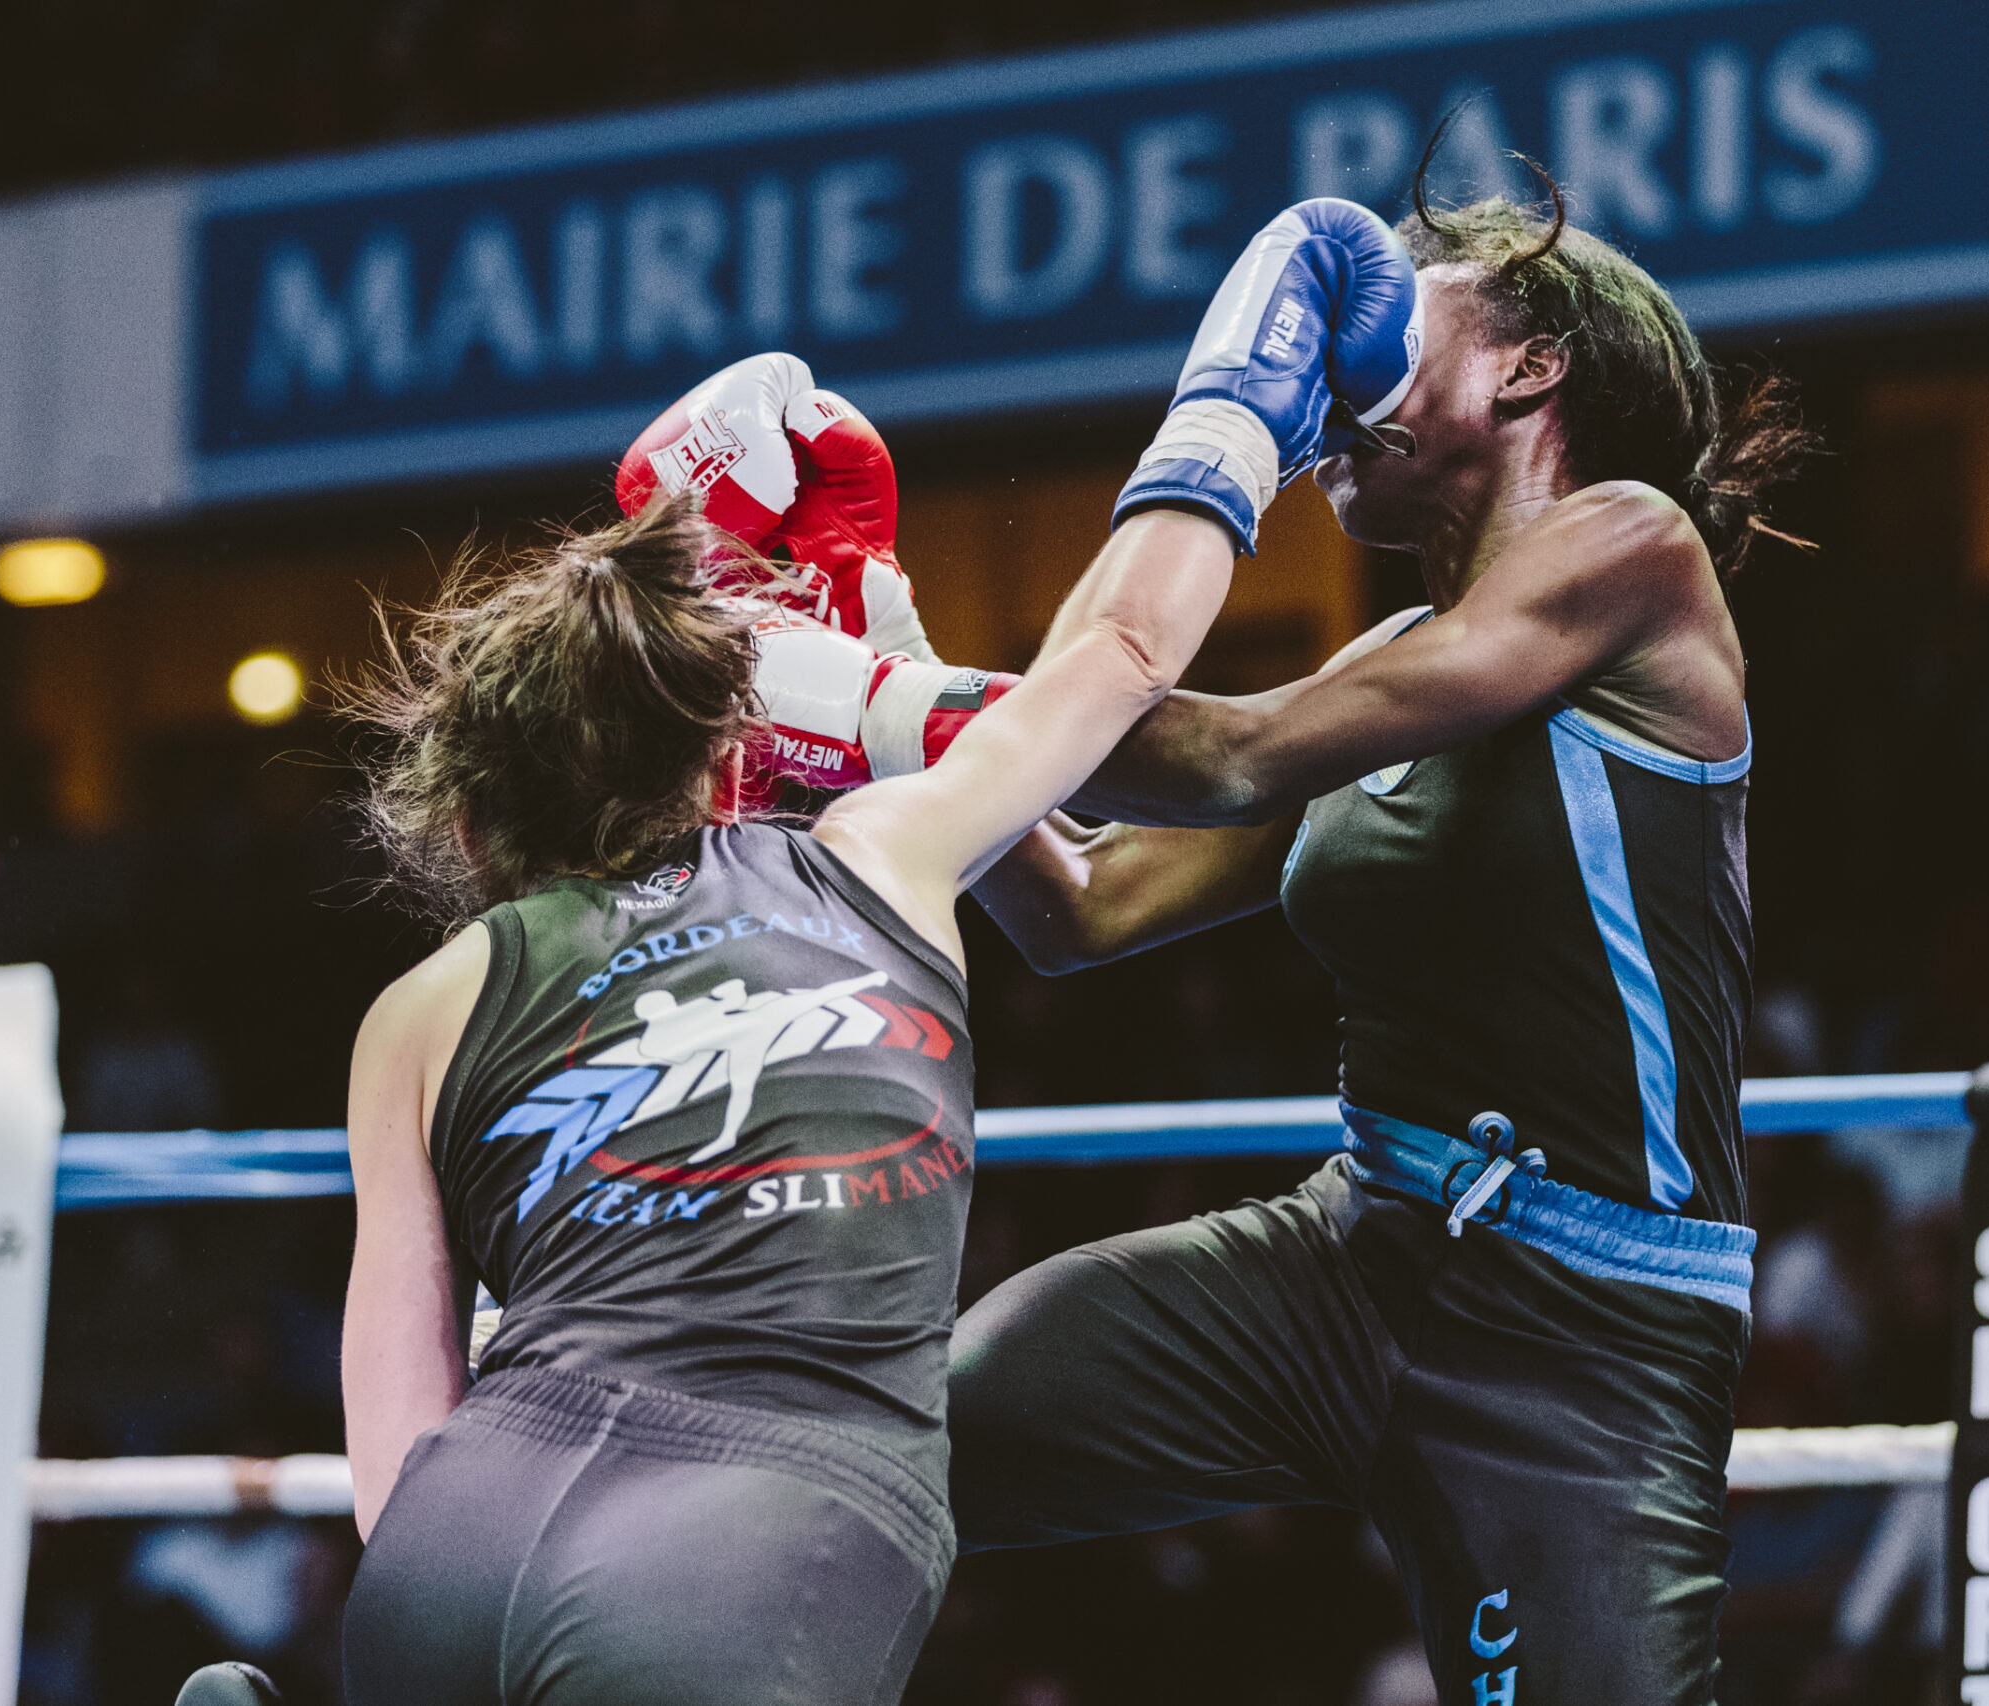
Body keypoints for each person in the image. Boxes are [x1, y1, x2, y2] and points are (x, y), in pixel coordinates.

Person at [179, 198, 1421, 1706]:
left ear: (472, 816)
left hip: (459, 1543)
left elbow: (398, 1424)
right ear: (726, 752)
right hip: (743, 1545)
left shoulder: (421, 1009)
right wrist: (1244, 385)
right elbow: (1122, 663)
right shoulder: (886, 854)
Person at [943, 172, 1813, 1705]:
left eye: (1407, 310)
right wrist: (874, 652)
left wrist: (916, 699)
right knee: (908, 1433)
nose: (1343, 360)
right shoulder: (1391, 659)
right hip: (1347, 1262)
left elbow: (1216, 753)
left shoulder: (1637, 550)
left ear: (1529, 365)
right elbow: (1079, 907)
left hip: (1584, 1337)